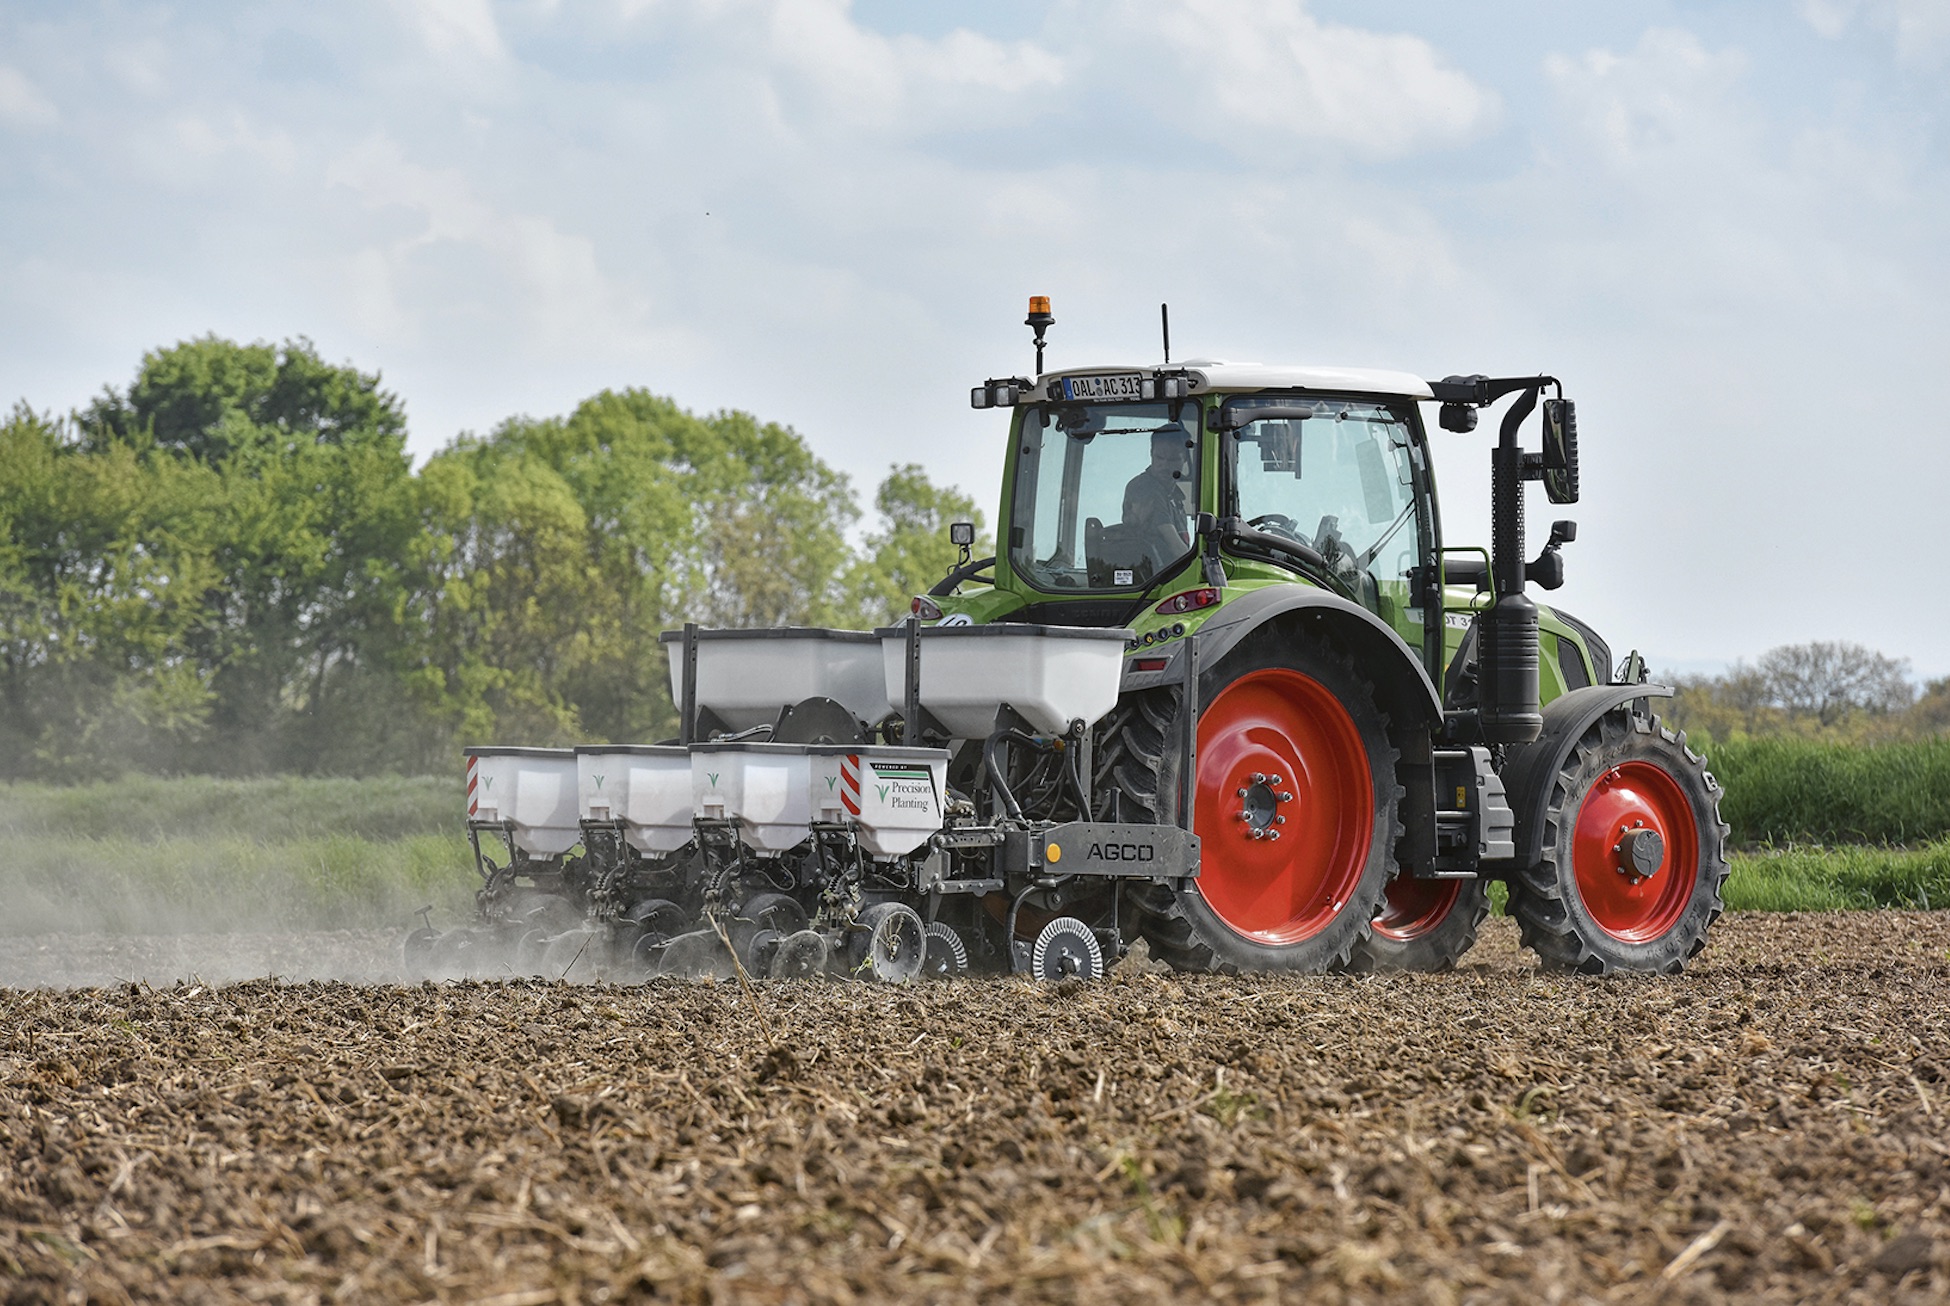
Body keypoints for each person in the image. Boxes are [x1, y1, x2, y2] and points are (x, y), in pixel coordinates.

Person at [1122, 423, 1193, 571]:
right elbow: (1175, 547)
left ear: (1185, 459)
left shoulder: (1174, 495)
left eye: (1173, 459)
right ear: (1151, 453)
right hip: (1155, 580)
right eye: (1159, 457)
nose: (1164, 465)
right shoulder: (1145, 488)